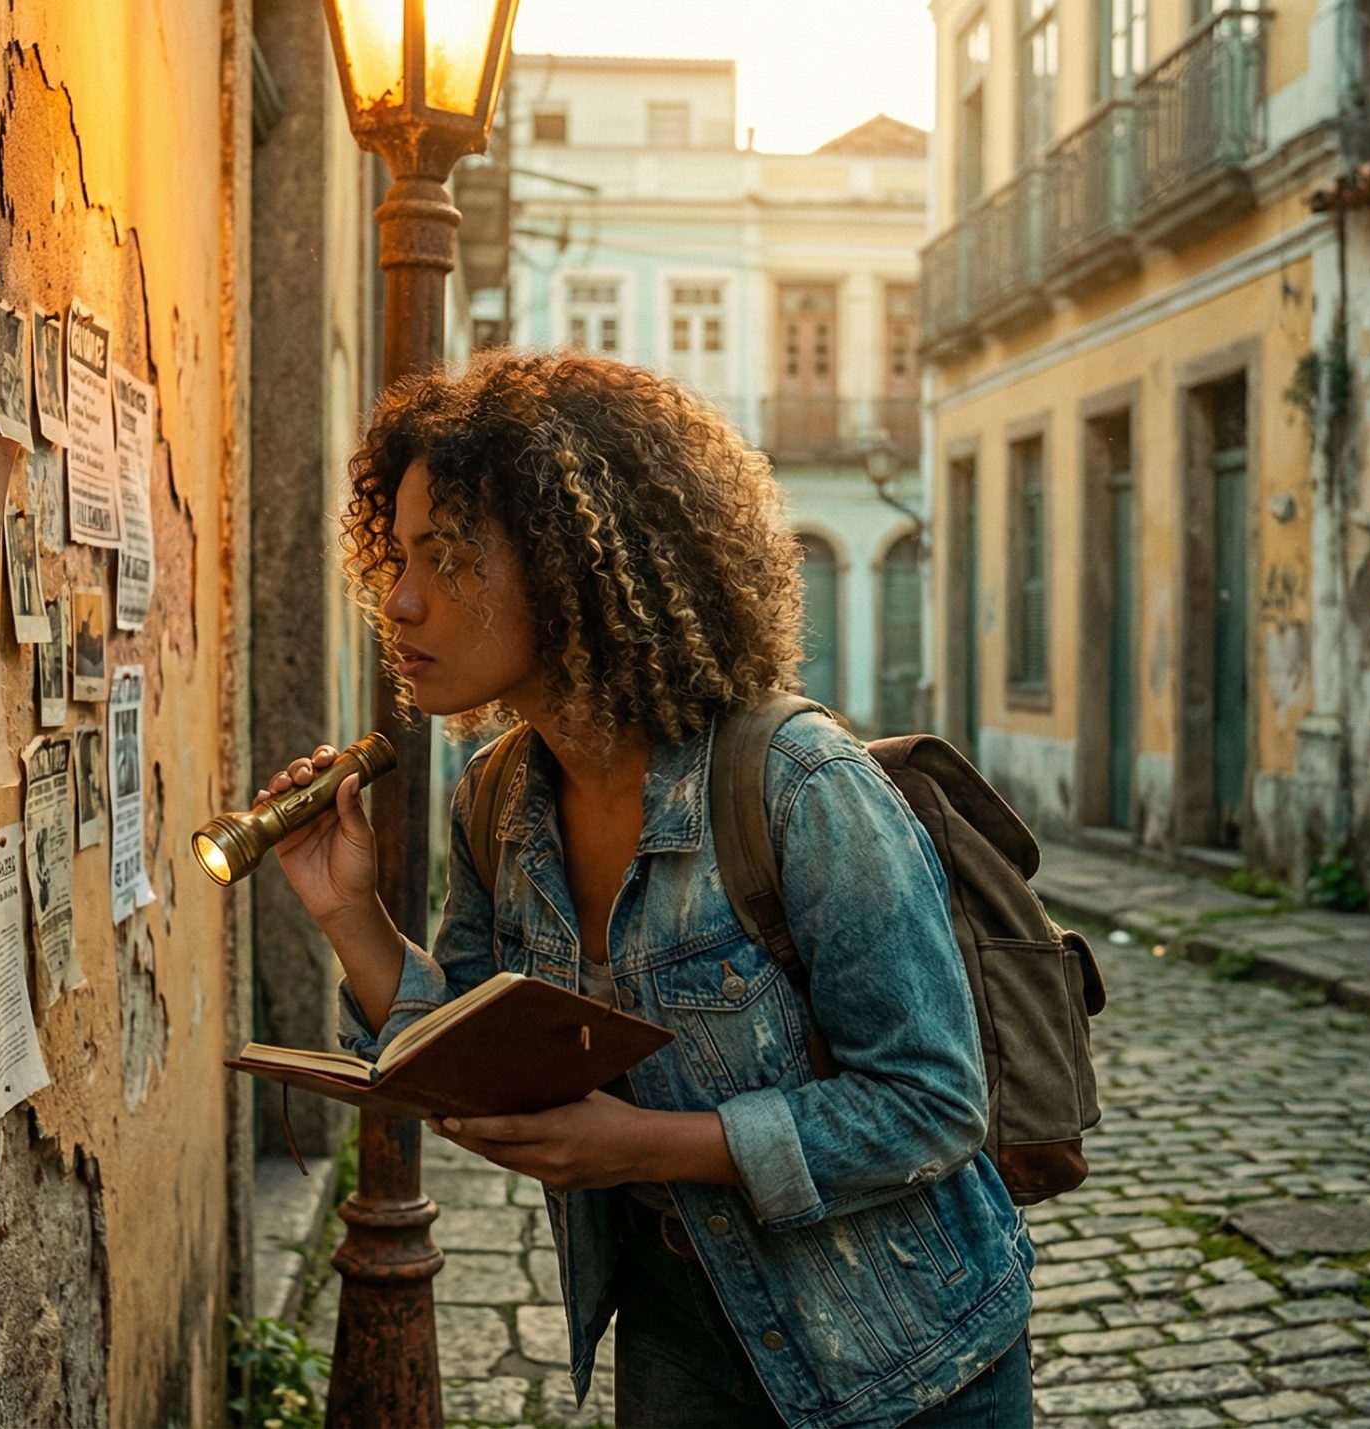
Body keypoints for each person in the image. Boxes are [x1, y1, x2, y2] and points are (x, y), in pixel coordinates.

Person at [256, 351, 1032, 1429]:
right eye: (397, 555)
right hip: (674, 1330)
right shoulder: (496, 799)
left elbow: (932, 1102)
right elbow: (467, 1045)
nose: (401, 599)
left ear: (575, 564)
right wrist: (348, 910)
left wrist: (644, 1148)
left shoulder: (798, 784)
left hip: (900, 1352)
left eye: (447, 557)